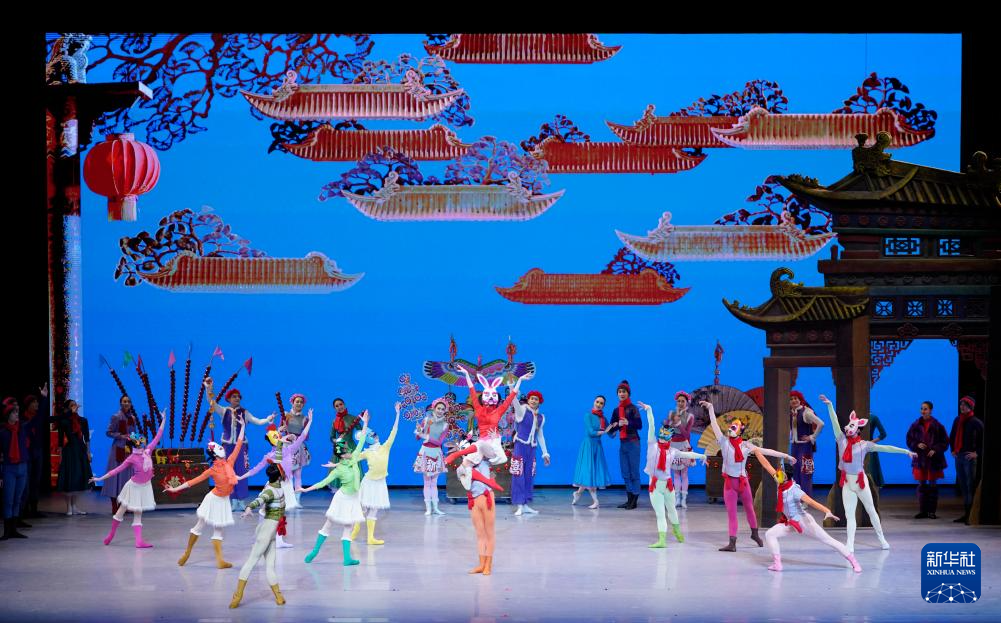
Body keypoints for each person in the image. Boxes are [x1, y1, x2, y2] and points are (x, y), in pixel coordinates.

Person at [821, 394, 915, 552]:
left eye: (852, 426)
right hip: (847, 483)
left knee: (871, 510)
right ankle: (850, 543)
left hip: (860, 482)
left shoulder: (865, 445)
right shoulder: (841, 440)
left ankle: (882, 538)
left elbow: (886, 448)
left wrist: (906, 451)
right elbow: (834, 423)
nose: (847, 428)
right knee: (849, 515)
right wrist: (830, 405)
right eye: (848, 425)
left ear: (858, 429)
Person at [702, 400, 795, 552]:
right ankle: (732, 542)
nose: (730, 428)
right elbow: (714, 424)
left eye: (734, 427)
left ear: (740, 431)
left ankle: (755, 534)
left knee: (750, 509)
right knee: (732, 513)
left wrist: (786, 455)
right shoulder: (723, 442)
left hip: (743, 482)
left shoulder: (746, 445)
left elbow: (766, 451)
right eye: (730, 426)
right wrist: (711, 408)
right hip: (730, 484)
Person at [752, 449, 861, 573]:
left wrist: (827, 511)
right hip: (790, 522)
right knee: (770, 534)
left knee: (828, 540)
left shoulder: (794, 490)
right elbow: (766, 465)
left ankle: (854, 562)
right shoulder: (780, 482)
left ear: (786, 477)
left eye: (780, 473)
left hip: (804, 522)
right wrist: (756, 451)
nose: (777, 474)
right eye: (778, 472)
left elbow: (811, 502)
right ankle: (777, 564)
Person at [168, 420, 245, 569]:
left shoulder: (230, 462)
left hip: (223, 500)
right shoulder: (212, 470)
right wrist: (175, 489)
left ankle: (220, 561)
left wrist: (242, 426)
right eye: (218, 447)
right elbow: (193, 481)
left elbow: (239, 444)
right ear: (215, 454)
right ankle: (187, 553)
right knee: (199, 525)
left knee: (219, 529)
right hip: (213, 499)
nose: (222, 448)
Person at [300, 411, 370, 566]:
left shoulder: (354, 457)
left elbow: (362, 440)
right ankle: (314, 552)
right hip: (342, 498)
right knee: (328, 524)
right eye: (346, 449)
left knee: (348, 527)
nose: (349, 450)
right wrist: (306, 490)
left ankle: (347, 559)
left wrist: (365, 423)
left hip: (353, 498)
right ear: (342, 454)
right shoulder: (338, 470)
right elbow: (323, 482)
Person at [90, 412, 166, 548]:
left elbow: (158, 435)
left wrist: (164, 419)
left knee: (138, 513)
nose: (144, 442)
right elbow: (116, 470)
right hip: (134, 487)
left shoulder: (148, 451)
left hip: (145, 486)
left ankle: (139, 541)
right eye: (141, 441)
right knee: (121, 510)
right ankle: (111, 535)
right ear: (137, 444)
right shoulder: (132, 458)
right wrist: (100, 478)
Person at [637, 400, 706, 547]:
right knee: (660, 514)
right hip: (655, 486)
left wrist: (702, 456)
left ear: (671, 436)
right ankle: (662, 540)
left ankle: (677, 531)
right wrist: (649, 410)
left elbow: (687, 454)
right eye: (662, 433)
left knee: (672, 510)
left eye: (666, 434)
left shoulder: (672, 451)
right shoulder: (652, 445)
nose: (663, 435)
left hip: (668, 485)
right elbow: (651, 426)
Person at [240, 408, 313, 548]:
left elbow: (302, 436)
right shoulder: (270, 455)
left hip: (286, 485)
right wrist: (240, 477)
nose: (279, 437)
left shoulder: (289, 449)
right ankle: (260, 536)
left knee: (280, 512)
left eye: (279, 436)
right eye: (277, 437)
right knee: (265, 510)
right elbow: (255, 469)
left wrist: (310, 422)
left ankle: (278, 540)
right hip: (274, 485)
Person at [205, 377, 274, 510]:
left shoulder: (244, 412)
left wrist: (267, 419)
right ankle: (232, 500)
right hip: (227, 446)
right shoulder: (223, 411)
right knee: (228, 472)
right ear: (229, 399)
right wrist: (208, 388)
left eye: (238, 397)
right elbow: (211, 402)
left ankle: (241, 500)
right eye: (234, 396)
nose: (237, 398)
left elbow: (257, 421)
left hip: (241, 446)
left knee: (241, 471)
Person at [443, 366, 530, 468]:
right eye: (488, 394)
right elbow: (472, 390)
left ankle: (457, 455)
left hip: (494, 443)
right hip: (482, 443)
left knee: (484, 445)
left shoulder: (499, 410)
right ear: (483, 396)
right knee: (469, 460)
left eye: (493, 395)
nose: (490, 397)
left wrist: (520, 380)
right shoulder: (478, 408)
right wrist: (466, 374)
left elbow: (511, 396)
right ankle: (459, 458)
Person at [229, 463, 287, 609]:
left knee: (270, 566)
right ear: (279, 476)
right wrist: (249, 507)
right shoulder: (270, 490)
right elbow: (260, 499)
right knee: (251, 561)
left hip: (271, 532)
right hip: (266, 530)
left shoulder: (277, 486)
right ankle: (237, 596)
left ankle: (278, 596)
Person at [446, 438, 504, 575]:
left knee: (489, 533)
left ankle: (488, 564)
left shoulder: (485, 459)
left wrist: (495, 439)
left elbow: (498, 455)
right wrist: (464, 460)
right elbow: (464, 477)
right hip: (474, 501)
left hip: (487, 498)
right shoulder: (462, 468)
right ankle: (481, 564)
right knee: (480, 534)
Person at [351, 403, 400, 545]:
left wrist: (397, 414)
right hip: (369, 482)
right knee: (363, 508)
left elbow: (394, 431)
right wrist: (337, 464)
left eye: (374, 434)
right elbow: (353, 458)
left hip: (380, 483)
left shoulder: (385, 447)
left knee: (374, 510)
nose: (375, 436)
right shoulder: (366, 452)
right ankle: (355, 530)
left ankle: (370, 537)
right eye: (371, 435)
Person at [906, 401, 949, 519]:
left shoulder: (938, 426)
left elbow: (945, 442)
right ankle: (923, 511)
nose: (923, 411)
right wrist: (917, 444)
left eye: (925, 409)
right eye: (922, 408)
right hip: (920, 460)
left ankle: (932, 511)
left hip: (933, 461)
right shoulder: (915, 425)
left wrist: (935, 449)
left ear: (930, 410)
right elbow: (909, 440)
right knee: (922, 485)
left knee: (932, 486)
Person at [510, 389, 550, 516]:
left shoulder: (541, 418)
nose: (533, 401)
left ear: (539, 402)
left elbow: (540, 436)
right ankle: (519, 505)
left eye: (536, 399)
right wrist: (512, 388)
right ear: (528, 400)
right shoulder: (522, 410)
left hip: (532, 448)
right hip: (520, 446)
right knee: (518, 474)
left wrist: (545, 453)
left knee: (529, 475)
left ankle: (525, 504)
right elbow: (515, 402)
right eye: (532, 398)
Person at [605, 380, 643, 509]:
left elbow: (639, 425)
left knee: (634, 472)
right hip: (623, 444)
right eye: (620, 392)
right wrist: (616, 425)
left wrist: (628, 423)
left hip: (633, 443)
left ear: (628, 393)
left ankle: (635, 499)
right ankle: (629, 499)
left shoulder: (633, 408)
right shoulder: (616, 411)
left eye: (624, 391)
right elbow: (611, 429)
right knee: (625, 472)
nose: (622, 394)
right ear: (617, 394)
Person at [1, 397, 34, 540]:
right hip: (9, 468)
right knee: (8, 500)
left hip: (22, 467)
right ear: (8, 415)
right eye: (14, 413)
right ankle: (7, 531)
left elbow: (37, 420)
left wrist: (44, 399)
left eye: (17, 413)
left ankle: (14, 529)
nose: (16, 415)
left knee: (18, 499)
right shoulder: (3, 432)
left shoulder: (22, 429)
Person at [571, 395, 611, 509]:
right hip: (588, 446)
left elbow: (611, 433)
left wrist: (616, 426)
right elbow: (591, 432)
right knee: (589, 472)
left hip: (597, 446)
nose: (599, 404)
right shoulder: (588, 415)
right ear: (594, 402)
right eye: (597, 402)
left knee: (591, 473)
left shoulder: (603, 419)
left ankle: (578, 493)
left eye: (601, 403)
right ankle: (596, 501)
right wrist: (604, 432)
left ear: (603, 406)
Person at [103, 395, 140, 515]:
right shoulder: (116, 416)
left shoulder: (132, 418)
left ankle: (124, 504)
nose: (126, 403)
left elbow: (133, 434)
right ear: (120, 403)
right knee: (115, 478)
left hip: (128, 450)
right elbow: (108, 432)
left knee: (127, 478)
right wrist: (121, 436)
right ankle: (114, 505)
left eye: (128, 401)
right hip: (118, 450)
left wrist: (138, 442)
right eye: (124, 401)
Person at [55, 399, 93, 516]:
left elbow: (87, 438)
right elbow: (60, 440)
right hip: (70, 451)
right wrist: (60, 456)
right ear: (67, 408)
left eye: (75, 405)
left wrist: (88, 452)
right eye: (71, 405)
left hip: (80, 450)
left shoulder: (83, 420)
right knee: (69, 477)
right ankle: (69, 507)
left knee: (78, 478)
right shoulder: (64, 421)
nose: (74, 407)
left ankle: (74, 506)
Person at [413, 397, 450, 515]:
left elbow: (439, 442)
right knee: (427, 482)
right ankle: (428, 508)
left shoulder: (445, 425)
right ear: (434, 408)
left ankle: (436, 508)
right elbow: (418, 437)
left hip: (436, 453)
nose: (440, 411)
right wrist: (419, 430)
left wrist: (426, 437)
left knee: (434, 483)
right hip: (425, 452)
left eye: (443, 409)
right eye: (438, 408)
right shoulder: (427, 420)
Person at [950, 396, 984, 524]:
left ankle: (971, 515)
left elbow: (984, 440)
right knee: (963, 486)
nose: (962, 407)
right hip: (959, 456)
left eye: (965, 405)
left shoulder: (976, 422)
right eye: (961, 405)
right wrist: (953, 449)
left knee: (970, 486)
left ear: (970, 407)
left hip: (969, 457)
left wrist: (977, 453)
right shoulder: (957, 420)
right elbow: (952, 436)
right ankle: (966, 514)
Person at [19, 385, 51, 519]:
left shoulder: (38, 418)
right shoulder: (23, 420)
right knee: (26, 482)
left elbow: (46, 417)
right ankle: (23, 510)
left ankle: (34, 509)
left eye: (38, 402)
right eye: (34, 402)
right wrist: (43, 398)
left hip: (38, 452)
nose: (36, 404)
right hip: (26, 453)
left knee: (36, 481)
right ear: (28, 405)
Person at [788, 390, 823, 497]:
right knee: (795, 473)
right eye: (791, 399)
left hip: (805, 447)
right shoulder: (791, 413)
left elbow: (821, 423)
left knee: (805, 474)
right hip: (795, 447)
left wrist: (812, 437)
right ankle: (797, 498)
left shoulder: (806, 412)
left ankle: (806, 500)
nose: (793, 401)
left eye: (795, 398)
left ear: (800, 400)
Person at [279, 393, 312, 501]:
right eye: (297, 401)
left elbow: (306, 436)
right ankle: (287, 499)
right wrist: (281, 430)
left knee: (298, 474)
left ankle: (296, 500)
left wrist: (296, 437)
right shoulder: (286, 415)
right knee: (286, 474)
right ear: (292, 403)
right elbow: (279, 431)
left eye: (301, 402)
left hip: (298, 446)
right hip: (286, 446)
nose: (299, 403)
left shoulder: (305, 418)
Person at [668, 391, 697, 508]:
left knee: (684, 473)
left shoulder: (690, 417)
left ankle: (684, 499)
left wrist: (679, 424)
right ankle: (677, 498)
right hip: (673, 445)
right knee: (675, 474)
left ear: (687, 403)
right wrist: (669, 424)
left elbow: (686, 434)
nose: (680, 403)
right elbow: (668, 431)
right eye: (678, 401)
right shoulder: (672, 413)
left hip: (684, 445)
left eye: (683, 401)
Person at [863, 414, 888, 488]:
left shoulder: (873, 417)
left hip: (869, 449)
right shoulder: (856, 417)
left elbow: (883, 434)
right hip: (858, 447)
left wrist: (870, 442)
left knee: (871, 475)